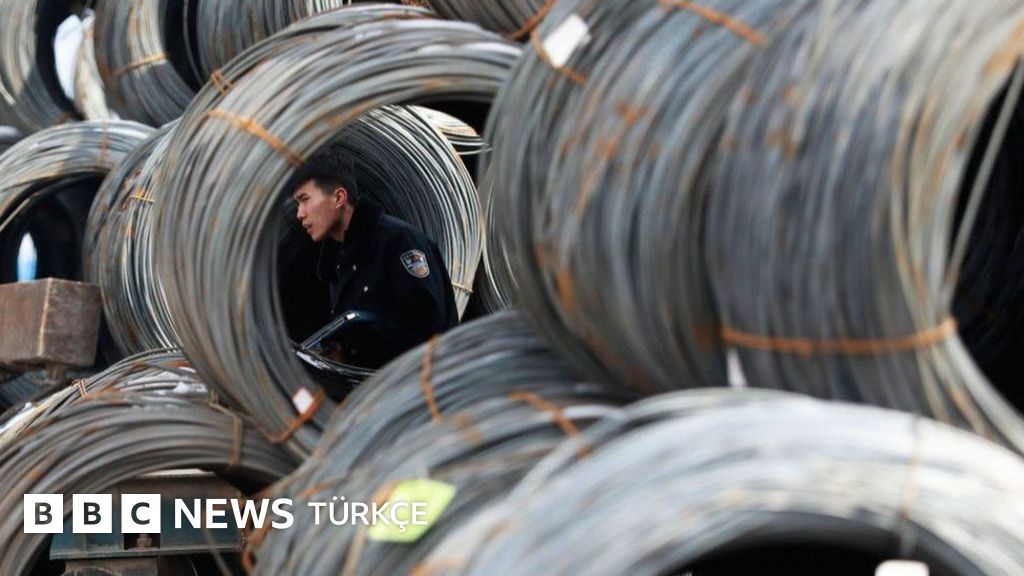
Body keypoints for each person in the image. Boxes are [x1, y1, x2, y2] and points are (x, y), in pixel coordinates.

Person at [289, 150, 458, 369]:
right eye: (297, 204)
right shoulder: (338, 262)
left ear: (339, 198)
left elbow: (425, 325)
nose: (299, 214)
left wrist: (351, 352)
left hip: (423, 380)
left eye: (305, 200)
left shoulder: (398, 241)